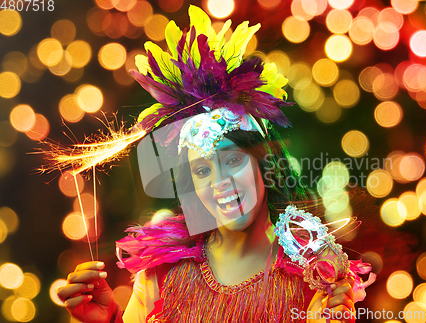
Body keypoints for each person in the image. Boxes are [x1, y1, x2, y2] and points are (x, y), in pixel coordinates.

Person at [55, 6, 372, 322]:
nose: (220, 181)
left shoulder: (316, 280)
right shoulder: (161, 274)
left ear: (265, 165)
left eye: (233, 160)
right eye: (202, 170)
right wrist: (109, 319)